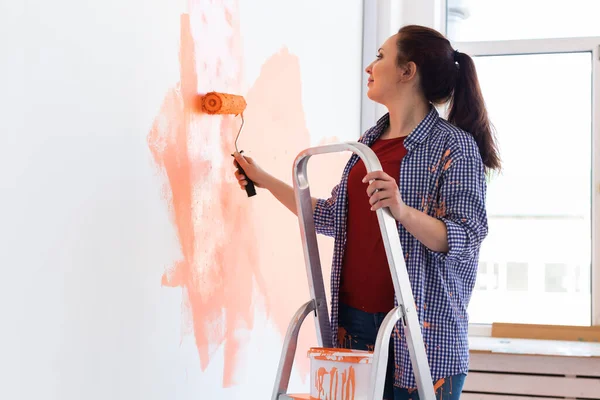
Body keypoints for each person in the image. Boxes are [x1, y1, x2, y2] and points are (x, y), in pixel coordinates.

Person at [232, 24, 500, 400]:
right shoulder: (367, 145)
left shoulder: (454, 147)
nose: (369, 67)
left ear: (408, 71)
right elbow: (329, 218)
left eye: (380, 56)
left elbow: (465, 238)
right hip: (352, 324)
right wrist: (263, 178)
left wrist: (402, 210)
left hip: (422, 332)